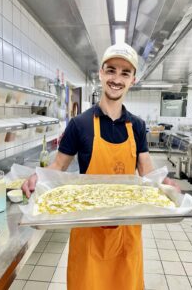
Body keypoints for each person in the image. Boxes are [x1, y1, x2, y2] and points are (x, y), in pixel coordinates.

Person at [22, 42, 179, 290]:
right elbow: (58, 166)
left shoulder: (136, 126)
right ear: (101, 74)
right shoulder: (80, 124)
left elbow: (146, 171)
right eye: (111, 70)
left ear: (133, 80)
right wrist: (38, 177)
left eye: (125, 73)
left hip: (126, 228)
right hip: (88, 228)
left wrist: (164, 182)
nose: (117, 78)